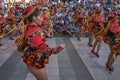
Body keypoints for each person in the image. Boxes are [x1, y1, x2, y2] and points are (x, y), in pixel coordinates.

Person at [15, 6, 66, 80]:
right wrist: (58, 48)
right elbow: (43, 48)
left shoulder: (33, 27)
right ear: (34, 18)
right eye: (40, 16)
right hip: (34, 61)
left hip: (37, 58)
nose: (42, 18)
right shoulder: (33, 32)